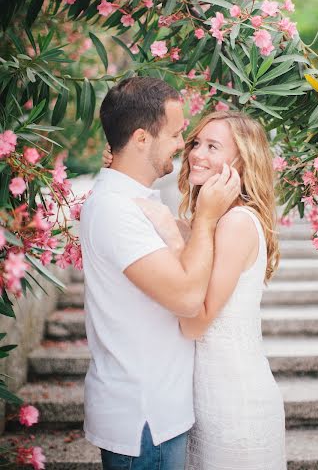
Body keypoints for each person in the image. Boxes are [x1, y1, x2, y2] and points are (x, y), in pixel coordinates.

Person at [104, 109, 287, 470]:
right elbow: (191, 248)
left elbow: (194, 322)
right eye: (196, 143)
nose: (197, 154)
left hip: (234, 403)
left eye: (213, 147)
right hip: (208, 397)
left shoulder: (235, 223)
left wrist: (174, 233)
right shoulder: (219, 221)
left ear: (242, 161)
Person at [80, 76, 240, 470]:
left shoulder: (131, 201)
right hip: (142, 419)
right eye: (176, 133)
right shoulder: (116, 210)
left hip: (158, 412)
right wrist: (206, 217)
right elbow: (187, 299)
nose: (183, 145)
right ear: (140, 139)